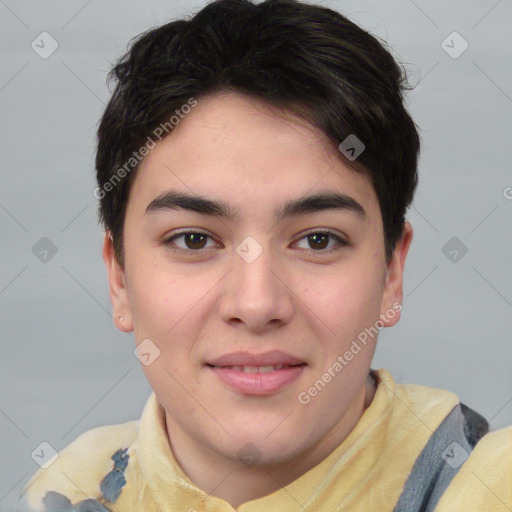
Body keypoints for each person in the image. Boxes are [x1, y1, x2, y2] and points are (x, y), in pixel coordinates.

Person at [17, 0, 512, 510]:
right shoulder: (68, 488)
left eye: (318, 240)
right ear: (119, 276)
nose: (256, 305)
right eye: (194, 240)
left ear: (391, 270)